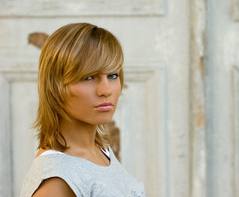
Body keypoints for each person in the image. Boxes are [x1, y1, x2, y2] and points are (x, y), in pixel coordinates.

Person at [20, 23, 146, 197]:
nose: (106, 90)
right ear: (55, 85)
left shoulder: (100, 150)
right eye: (88, 77)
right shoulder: (57, 180)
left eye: (112, 75)